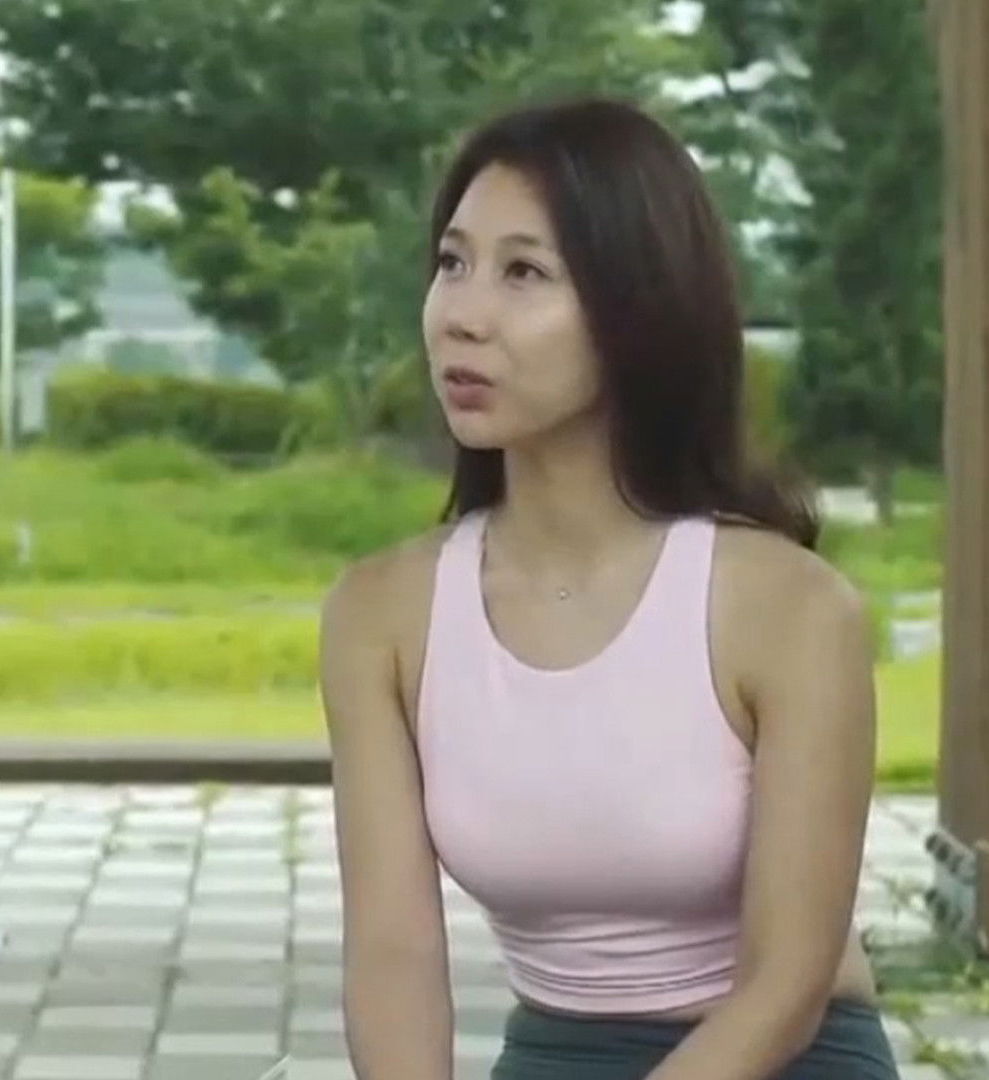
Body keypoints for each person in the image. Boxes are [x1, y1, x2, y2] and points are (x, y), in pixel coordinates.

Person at [319, 97, 900, 1079]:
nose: (462, 315)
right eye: (452, 263)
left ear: (636, 314)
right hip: (556, 1049)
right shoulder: (381, 614)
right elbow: (392, 956)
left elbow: (787, 985)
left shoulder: (788, 610)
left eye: (524, 273)